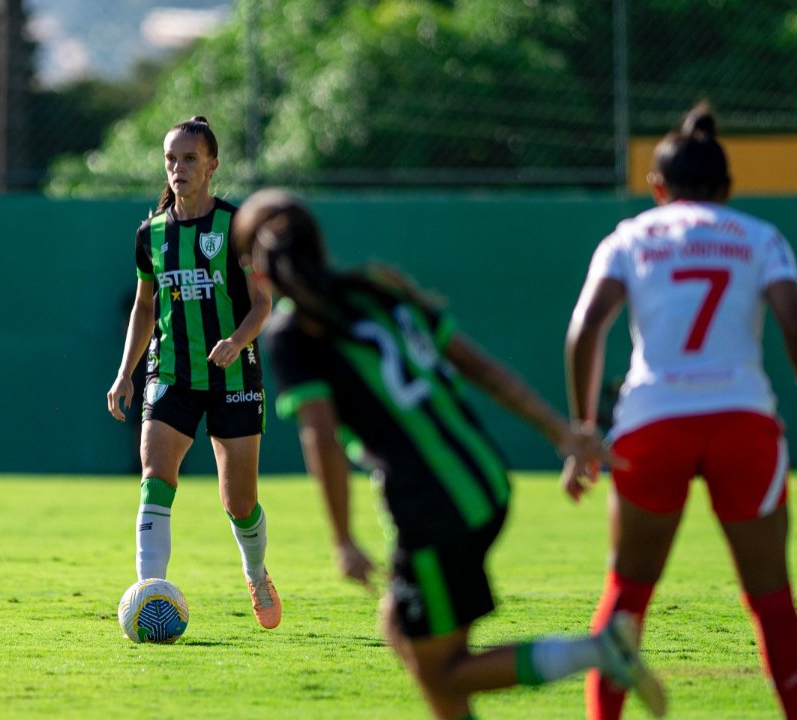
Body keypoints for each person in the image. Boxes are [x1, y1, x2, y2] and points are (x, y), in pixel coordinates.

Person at [233, 188, 666, 719]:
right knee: (399, 627)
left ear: (254, 267)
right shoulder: (377, 287)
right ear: (318, 243)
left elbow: (319, 437)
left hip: (435, 508)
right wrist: (560, 431)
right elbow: (480, 367)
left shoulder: (293, 333)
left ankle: (600, 651)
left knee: (441, 669)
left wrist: (343, 538)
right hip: (482, 477)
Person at [565, 102, 797, 720]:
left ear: (658, 187)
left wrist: (583, 429)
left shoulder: (630, 237)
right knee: (772, 599)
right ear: (727, 188)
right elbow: (796, 323)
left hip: (651, 422)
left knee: (627, 595)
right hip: (742, 421)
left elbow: (585, 329)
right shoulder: (759, 236)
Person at [106, 116, 280, 629]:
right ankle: (149, 593)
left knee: (239, 501)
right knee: (156, 476)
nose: (178, 168)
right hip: (171, 373)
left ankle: (256, 572)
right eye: (171, 159)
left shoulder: (237, 227)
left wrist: (237, 341)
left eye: (189, 158)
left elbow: (263, 302)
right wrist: (125, 373)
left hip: (234, 377)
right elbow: (144, 307)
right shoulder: (151, 234)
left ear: (212, 165)